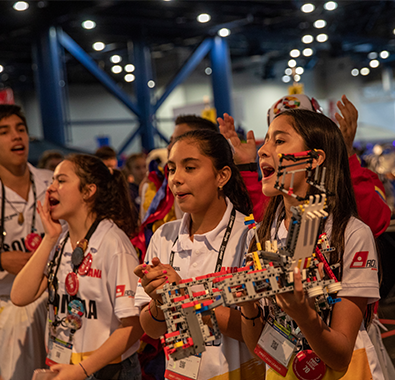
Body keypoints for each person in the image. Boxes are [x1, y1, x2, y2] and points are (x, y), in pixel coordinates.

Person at [240, 109, 383, 379]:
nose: (262, 150)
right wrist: (247, 305)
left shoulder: (350, 234)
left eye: (279, 141)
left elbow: (340, 356)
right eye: (266, 140)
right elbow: (257, 345)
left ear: (315, 158)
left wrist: (304, 315)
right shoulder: (258, 237)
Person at [134, 129, 266, 380]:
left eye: (190, 168)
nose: (176, 179)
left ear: (222, 176)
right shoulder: (164, 236)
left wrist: (185, 295)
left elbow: (258, 330)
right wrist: (160, 301)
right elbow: (152, 328)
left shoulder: (249, 237)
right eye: (172, 169)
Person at [11, 154, 143, 380]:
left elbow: (134, 326)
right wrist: (49, 239)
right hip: (63, 365)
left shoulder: (114, 244)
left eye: (61, 181)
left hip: (105, 371)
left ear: (88, 191)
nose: (51, 188)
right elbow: (20, 296)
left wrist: (83, 369)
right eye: (52, 180)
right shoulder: (60, 239)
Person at [219, 94, 391, 237]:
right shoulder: (276, 195)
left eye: (280, 140)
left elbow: (372, 222)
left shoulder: (363, 180)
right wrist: (246, 168)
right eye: (269, 138)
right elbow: (253, 216)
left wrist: (344, 155)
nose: (263, 150)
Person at [0, 104, 52, 380]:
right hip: (5, 303)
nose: (16, 136)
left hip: (51, 304)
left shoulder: (52, 183)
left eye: (21, 129)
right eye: (4, 131)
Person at [133, 115, 219, 261]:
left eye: (190, 168)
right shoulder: (153, 186)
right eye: (172, 170)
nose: (170, 146)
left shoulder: (243, 233)